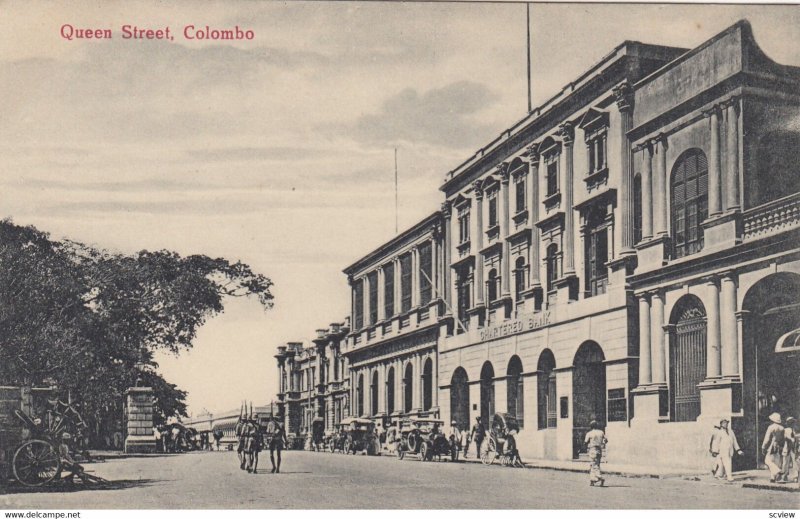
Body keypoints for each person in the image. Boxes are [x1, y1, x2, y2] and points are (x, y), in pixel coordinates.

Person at [761, 412, 785, 483]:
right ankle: (772, 478)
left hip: (771, 446)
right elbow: (783, 439)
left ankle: (777, 471)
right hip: (778, 446)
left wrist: (763, 447)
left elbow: (767, 438)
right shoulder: (782, 428)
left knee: (767, 461)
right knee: (775, 461)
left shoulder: (771, 427)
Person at [584, 420, 608, 487]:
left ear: (591, 426)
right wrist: (602, 444)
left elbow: (585, 442)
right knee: (595, 464)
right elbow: (606, 440)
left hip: (592, 450)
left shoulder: (589, 433)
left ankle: (600, 477)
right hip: (599, 450)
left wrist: (586, 446)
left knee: (594, 465)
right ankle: (592, 480)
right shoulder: (601, 432)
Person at [781, 417, 797, 483]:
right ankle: (784, 475)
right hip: (787, 447)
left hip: (793, 448)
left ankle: (795, 476)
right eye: (791, 422)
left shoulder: (794, 430)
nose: (792, 423)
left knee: (794, 462)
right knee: (785, 462)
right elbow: (785, 438)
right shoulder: (786, 430)